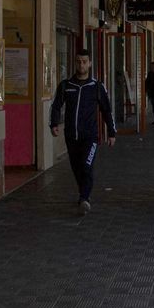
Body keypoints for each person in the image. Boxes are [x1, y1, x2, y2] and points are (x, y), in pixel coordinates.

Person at [49, 49, 116, 214]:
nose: (81, 65)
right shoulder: (66, 85)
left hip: (90, 136)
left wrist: (111, 132)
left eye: (84, 62)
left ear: (90, 63)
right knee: (77, 168)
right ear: (75, 63)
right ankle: (83, 194)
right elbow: (56, 106)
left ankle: (84, 198)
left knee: (86, 166)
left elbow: (106, 110)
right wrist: (54, 124)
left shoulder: (96, 86)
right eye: (79, 61)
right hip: (71, 136)